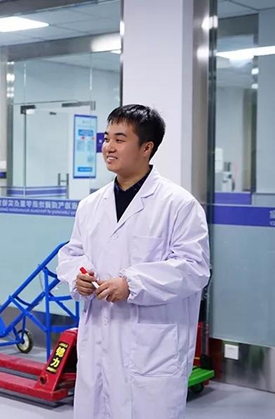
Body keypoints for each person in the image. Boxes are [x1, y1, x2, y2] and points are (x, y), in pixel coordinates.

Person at [57, 104, 210, 419]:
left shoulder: (178, 204)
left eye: (120, 139)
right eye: (106, 138)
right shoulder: (90, 205)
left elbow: (194, 268)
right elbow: (73, 254)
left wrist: (133, 284)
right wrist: (77, 277)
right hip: (99, 340)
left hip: (150, 347)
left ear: (146, 148)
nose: (109, 147)